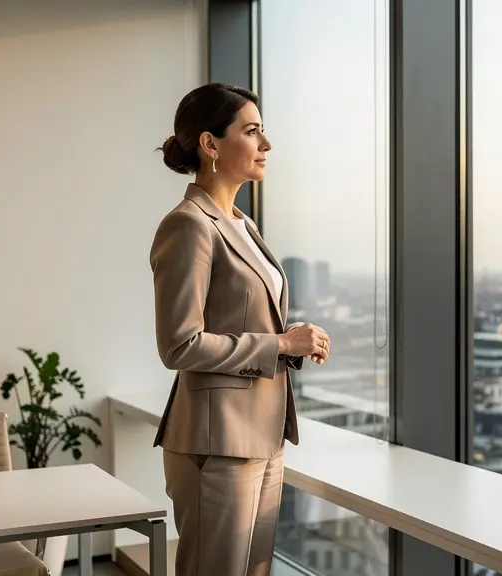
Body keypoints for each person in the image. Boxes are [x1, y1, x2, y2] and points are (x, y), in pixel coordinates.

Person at [149, 82, 331, 576]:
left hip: (263, 435)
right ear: (210, 144)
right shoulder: (189, 225)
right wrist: (280, 343)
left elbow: (243, 316)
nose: (265, 144)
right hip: (218, 443)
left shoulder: (243, 225)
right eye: (251, 132)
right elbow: (180, 344)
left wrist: (291, 342)